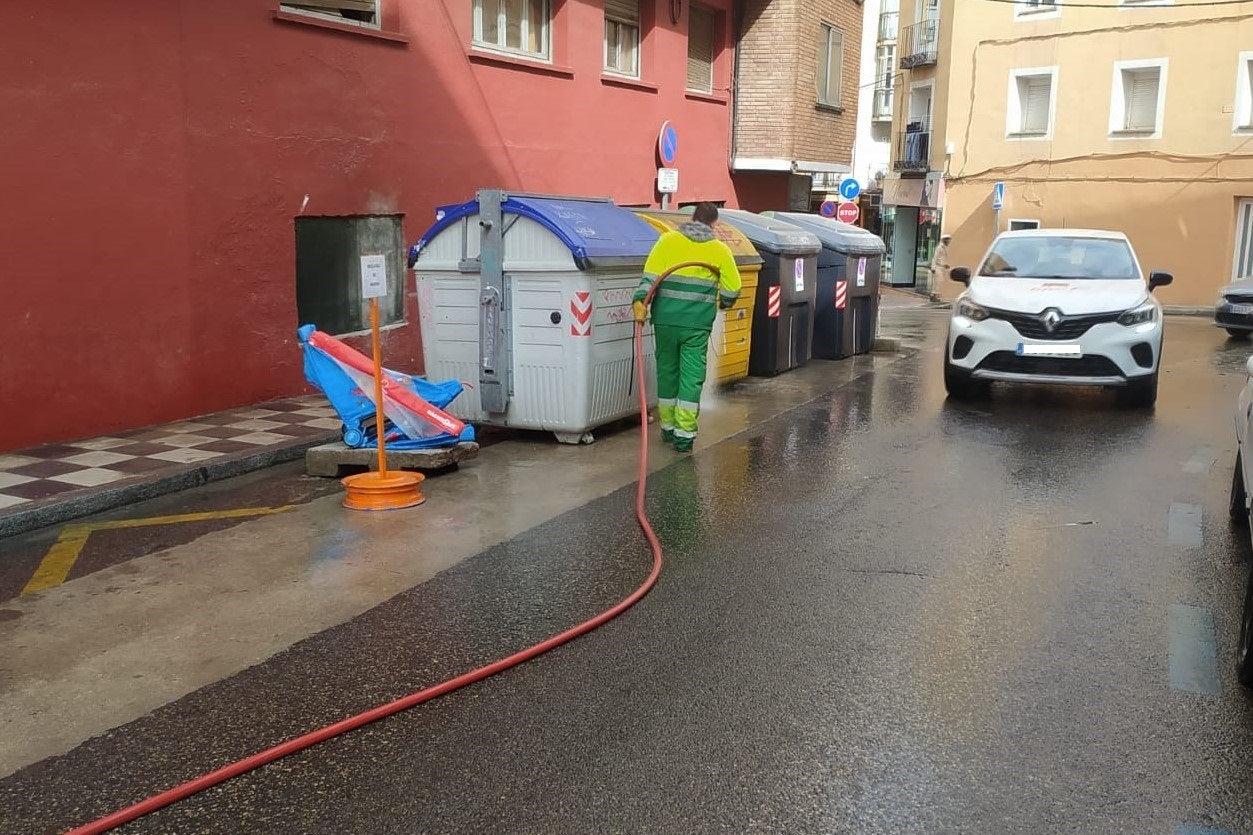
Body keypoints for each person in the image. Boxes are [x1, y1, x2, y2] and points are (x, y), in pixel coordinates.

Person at [632, 202, 741, 452]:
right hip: (696, 326)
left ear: (691, 218)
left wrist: (640, 303)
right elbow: (732, 289)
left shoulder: (667, 241)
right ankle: (684, 435)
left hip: (665, 321)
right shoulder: (719, 250)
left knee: (667, 372)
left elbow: (649, 278)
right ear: (714, 223)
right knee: (690, 379)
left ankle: (668, 429)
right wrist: (724, 302)